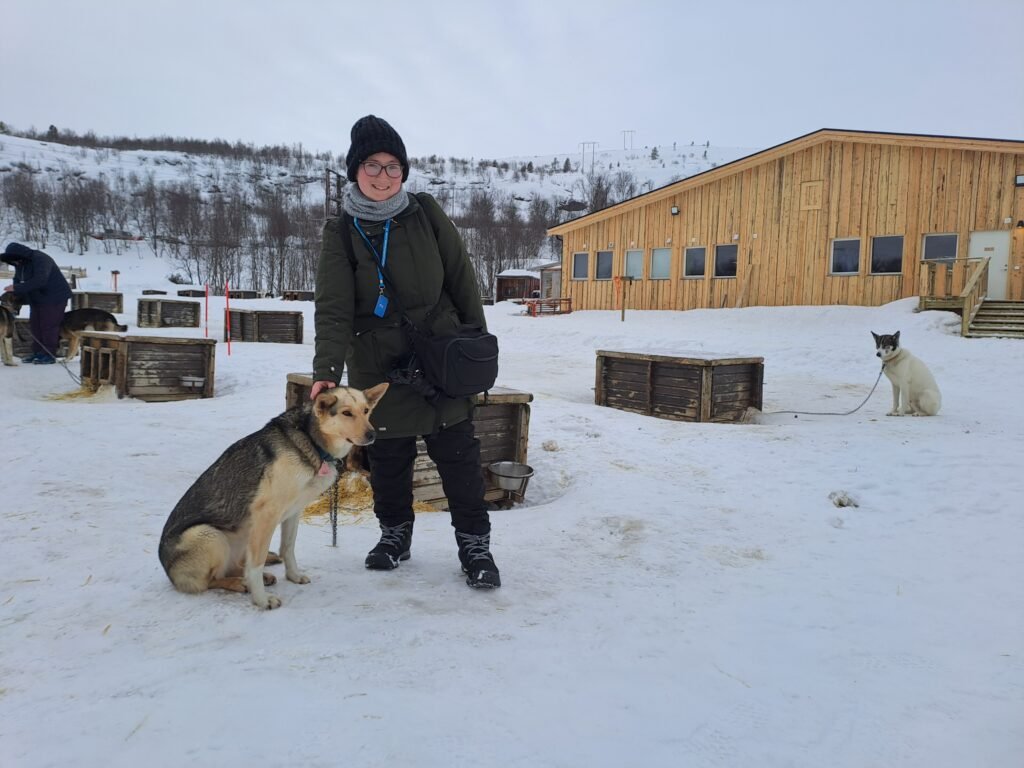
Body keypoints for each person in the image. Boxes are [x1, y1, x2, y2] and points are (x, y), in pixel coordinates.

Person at [311, 115, 500, 589]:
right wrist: (327, 369)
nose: (383, 176)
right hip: (379, 365)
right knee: (389, 459)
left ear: (404, 171)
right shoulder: (341, 232)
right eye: (372, 165)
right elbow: (333, 308)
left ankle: (475, 546)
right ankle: (394, 536)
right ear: (355, 170)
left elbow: (461, 275)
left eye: (393, 166)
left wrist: (475, 344)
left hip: (439, 354)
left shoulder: (424, 212)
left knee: (458, 456)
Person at [1, 242, 72, 364]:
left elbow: (40, 280)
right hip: (36, 298)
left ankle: (49, 354)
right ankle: (38, 352)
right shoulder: (20, 264)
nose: (15, 263)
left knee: (48, 325)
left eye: (16, 260)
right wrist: (14, 294)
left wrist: (17, 288)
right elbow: (17, 279)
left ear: (20, 256)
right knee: (35, 325)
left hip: (54, 297)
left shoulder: (41, 259)